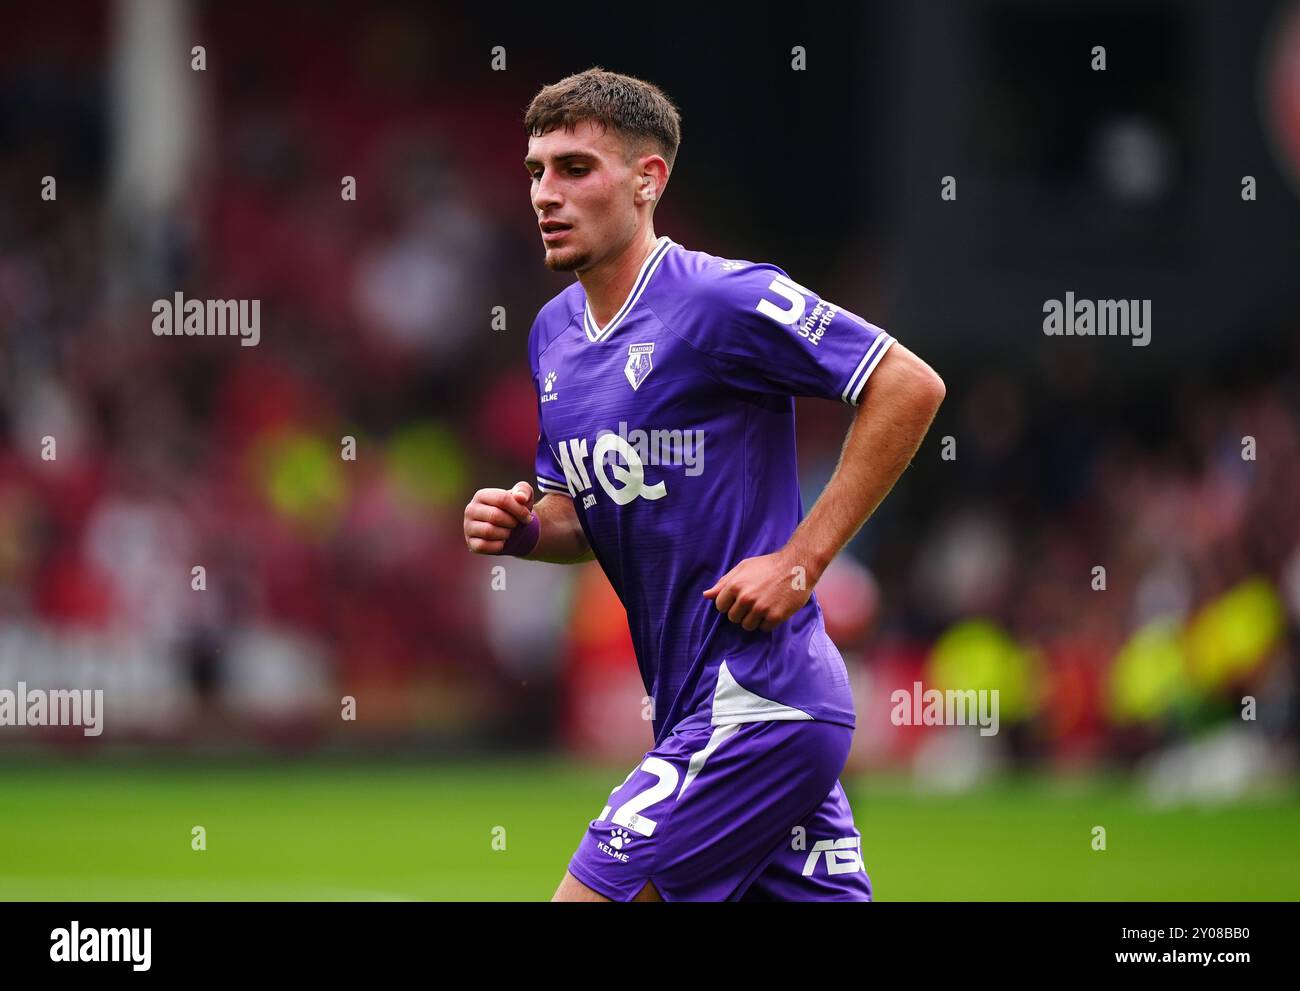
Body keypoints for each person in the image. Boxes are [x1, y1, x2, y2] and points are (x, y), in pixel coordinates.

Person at [464, 67, 946, 901]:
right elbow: (582, 514)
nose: (546, 192)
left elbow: (908, 385)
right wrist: (529, 529)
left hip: (758, 701)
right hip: (698, 704)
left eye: (576, 168)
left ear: (649, 180)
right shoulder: (552, 335)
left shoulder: (722, 299)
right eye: (537, 170)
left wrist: (802, 560)